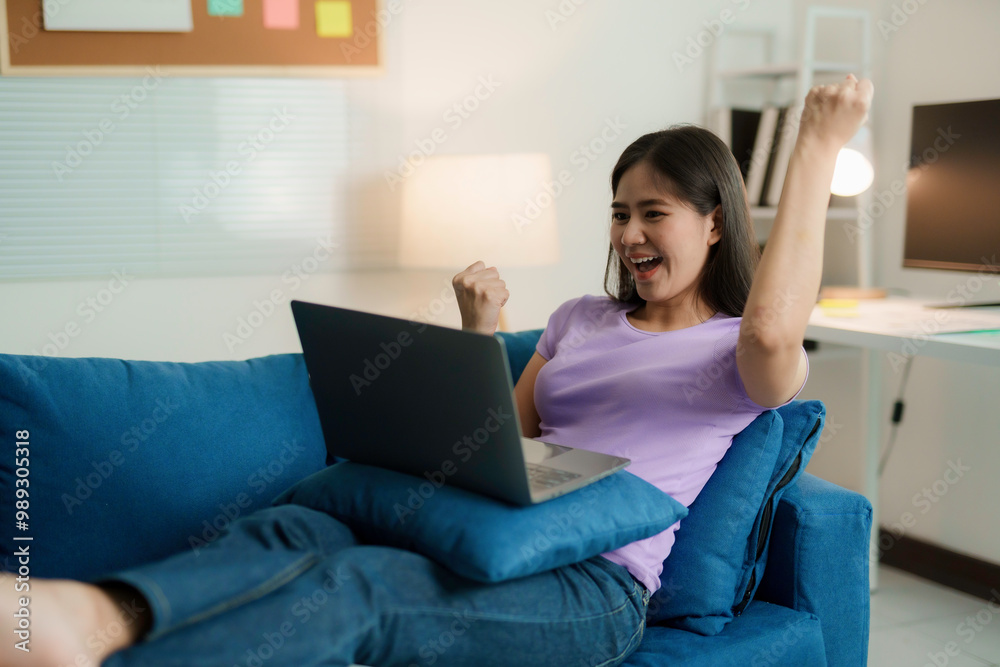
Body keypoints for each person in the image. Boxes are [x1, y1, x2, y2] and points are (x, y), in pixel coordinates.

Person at [0, 74, 873, 667]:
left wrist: (816, 147)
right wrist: (478, 332)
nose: (629, 236)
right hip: (489, 537)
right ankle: (86, 614)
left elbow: (771, 329)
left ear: (716, 223)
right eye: (618, 214)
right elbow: (505, 444)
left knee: (356, 591)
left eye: (654, 213)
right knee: (298, 531)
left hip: (591, 587)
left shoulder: (735, 353)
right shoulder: (580, 319)